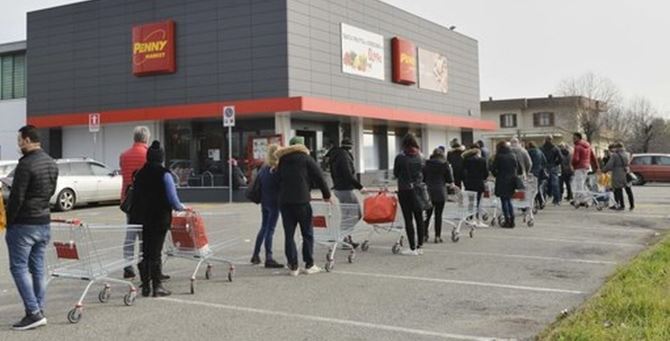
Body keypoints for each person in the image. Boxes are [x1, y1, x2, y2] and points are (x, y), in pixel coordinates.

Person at [5, 125, 58, 331]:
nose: (18, 144)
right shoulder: (51, 162)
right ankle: (38, 308)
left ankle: (33, 312)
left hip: (24, 224)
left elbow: (17, 197)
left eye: (20, 140)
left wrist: (8, 219)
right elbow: (50, 191)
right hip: (43, 221)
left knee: (18, 267)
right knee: (36, 267)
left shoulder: (25, 165)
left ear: (27, 140)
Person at [131, 141, 188, 297]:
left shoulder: (140, 174)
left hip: (143, 218)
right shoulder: (165, 174)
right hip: (159, 218)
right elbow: (172, 199)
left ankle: (146, 286)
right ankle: (157, 287)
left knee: (146, 252)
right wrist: (181, 207)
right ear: (161, 158)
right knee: (156, 252)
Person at [275, 136, 331, 276]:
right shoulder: (306, 159)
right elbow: (319, 177)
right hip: (302, 201)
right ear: (302, 145)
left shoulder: (282, 160)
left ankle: (293, 267)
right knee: (307, 233)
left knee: (289, 235)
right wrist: (326, 195)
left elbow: (278, 179)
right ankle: (309, 264)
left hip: (285, 202)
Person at [119, 126, 150, 280]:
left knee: (130, 234)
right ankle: (144, 263)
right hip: (145, 201)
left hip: (129, 201)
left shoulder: (124, 156)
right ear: (146, 138)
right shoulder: (148, 155)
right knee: (145, 235)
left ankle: (127, 265)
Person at [250, 144, 284, 268]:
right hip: (274, 202)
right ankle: (269, 257)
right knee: (270, 229)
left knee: (264, 227)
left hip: (265, 202)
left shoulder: (264, 168)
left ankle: (255, 254)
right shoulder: (277, 168)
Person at [327, 138, 364, 249]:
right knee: (356, 214)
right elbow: (348, 174)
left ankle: (345, 238)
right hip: (345, 190)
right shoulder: (343, 156)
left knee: (347, 215)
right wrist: (360, 187)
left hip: (339, 189)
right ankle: (342, 237)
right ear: (350, 146)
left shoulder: (335, 155)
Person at [393, 133, 425, 255]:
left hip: (405, 190)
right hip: (418, 190)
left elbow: (396, 173)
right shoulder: (420, 156)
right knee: (419, 218)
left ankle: (412, 248)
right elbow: (423, 172)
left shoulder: (400, 157)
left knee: (408, 219)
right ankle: (420, 246)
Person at [422, 148, 454, 243]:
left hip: (428, 192)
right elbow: (449, 179)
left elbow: (422, 178)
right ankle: (437, 236)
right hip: (440, 191)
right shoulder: (445, 164)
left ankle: (424, 235)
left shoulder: (426, 164)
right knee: (438, 215)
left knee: (427, 215)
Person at [490, 141, 519, 228]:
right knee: (509, 200)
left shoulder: (499, 156)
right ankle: (512, 220)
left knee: (504, 201)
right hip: (511, 180)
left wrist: (496, 174)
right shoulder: (513, 155)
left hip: (502, 179)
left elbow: (493, 168)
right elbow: (517, 167)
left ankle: (507, 220)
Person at [462, 144, 489, 228]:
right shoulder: (482, 160)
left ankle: (470, 218)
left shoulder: (466, 160)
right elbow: (486, 173)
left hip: (469, 183)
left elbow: (463, 172)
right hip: (479, 183)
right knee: (478, 202)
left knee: (471, 201)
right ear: (478, 153)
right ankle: (478, 219)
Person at [603, 142, 635, 211]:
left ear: (617, 147)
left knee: (618, 190)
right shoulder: (627, 154)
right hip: (626, 173)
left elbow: (609, 165)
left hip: (618, 173)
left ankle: (621, 205)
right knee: (628, 190)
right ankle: (632, 205)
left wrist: (604, 170)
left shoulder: (615, 155)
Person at [571, 132, 599, 205]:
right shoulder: (588, 146)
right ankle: (578, 199)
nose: (573, 139)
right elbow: (593, 157)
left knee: (579, 184)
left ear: (578, 138)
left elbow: (576, 159)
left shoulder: (577, 146)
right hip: (586, 167)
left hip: (579, 167)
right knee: (582, 184)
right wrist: (596, 167)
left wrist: (573, 165)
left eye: (574, 138)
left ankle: (585, 200)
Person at [541, 135, 563, 205]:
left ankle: (543, 199)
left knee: (543, 184)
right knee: (555, 184)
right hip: (553, 166)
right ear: (551, 140)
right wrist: (556, 163)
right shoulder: (555, 148)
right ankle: (556, 200)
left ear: (545, 139)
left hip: (545, 167)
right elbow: (561, 158)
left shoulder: (541, 148)